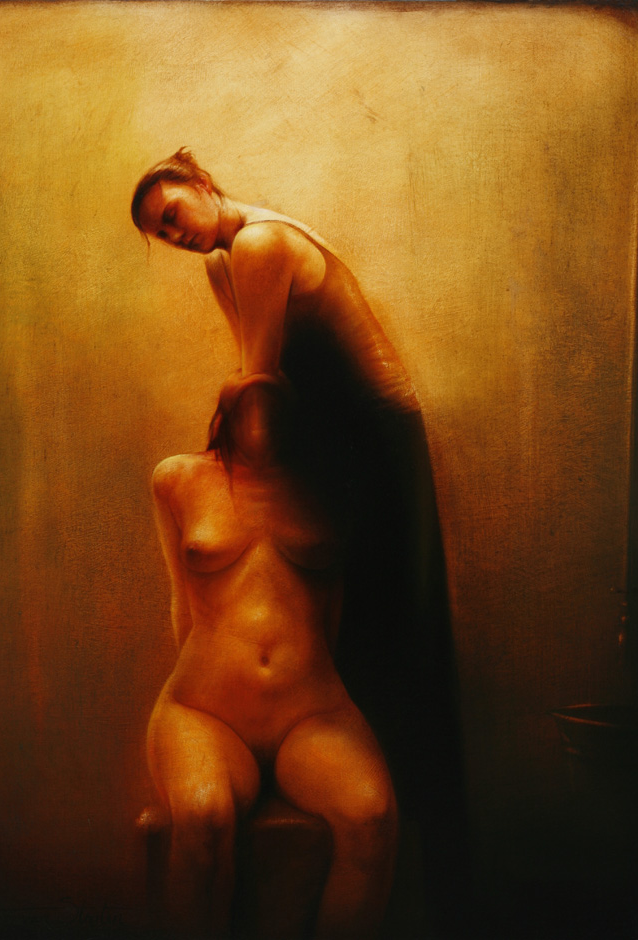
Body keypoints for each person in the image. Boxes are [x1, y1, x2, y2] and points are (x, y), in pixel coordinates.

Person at [133, 150, 468, 935]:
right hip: (320, 432)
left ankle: (424, 856)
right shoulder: (223, 263)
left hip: (370, 438)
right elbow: (252, 378)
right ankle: (278, 751)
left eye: (174, 214)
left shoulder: (259, 244)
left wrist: (242, 448)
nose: (176, 234)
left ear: (202, 185)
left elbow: (257, 377)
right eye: (162, 233)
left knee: (386, 646)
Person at [148, 374, 398, 939]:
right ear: (225, 404)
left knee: (373, 817)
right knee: (204, 816)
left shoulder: (331, 484)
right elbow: (179, 601)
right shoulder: (178, 479)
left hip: (309, 714)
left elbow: (335, 608)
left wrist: (303, 681)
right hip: (205, 710)